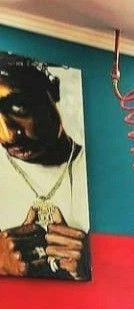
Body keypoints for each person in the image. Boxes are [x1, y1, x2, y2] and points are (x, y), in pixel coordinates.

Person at [0, 52, 89, 280]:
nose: (8, 135)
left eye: (19, 106)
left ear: (53, 90)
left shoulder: (99, 172)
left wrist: (87, 266)